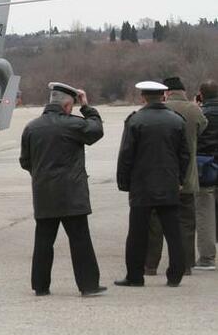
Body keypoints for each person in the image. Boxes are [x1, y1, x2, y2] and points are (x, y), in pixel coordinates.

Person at [20, 82, 107, 297]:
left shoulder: (31, 127)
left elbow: (25, 161)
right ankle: (88, 285)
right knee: (80, 240)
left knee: (43, 241)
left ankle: (40, 286)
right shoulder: (73, 125)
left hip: (44, 193)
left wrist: (40, 175)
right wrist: (87, 108)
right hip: (72, 193)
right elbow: (96, 130)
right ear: (68, 106)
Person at [115, 81, 190, 287]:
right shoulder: (177, 121)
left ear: (143, 98)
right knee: (173, 232)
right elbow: (185, 155)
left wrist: (124, 182)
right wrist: (180, 179)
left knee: (137, 233)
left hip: (142, 185)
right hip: (168, 183)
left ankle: (135, 276)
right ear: (163, 97)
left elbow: (126, 155)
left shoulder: (135, 121)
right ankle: (175, 275)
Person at [145, 77, 207, 276]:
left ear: (165, 92)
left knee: (154, 223)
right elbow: (202, 128)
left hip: (160, 177)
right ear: (184, 90)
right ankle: (186, 264)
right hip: (187, 176)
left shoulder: (158, 110)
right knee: (186, 223)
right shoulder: (194, 110)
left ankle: (150, 265)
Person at [195, 79, 218, 270]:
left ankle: (207, 258)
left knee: (205, 212)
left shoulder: (201, 115)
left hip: (207, 167)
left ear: (201, 95)